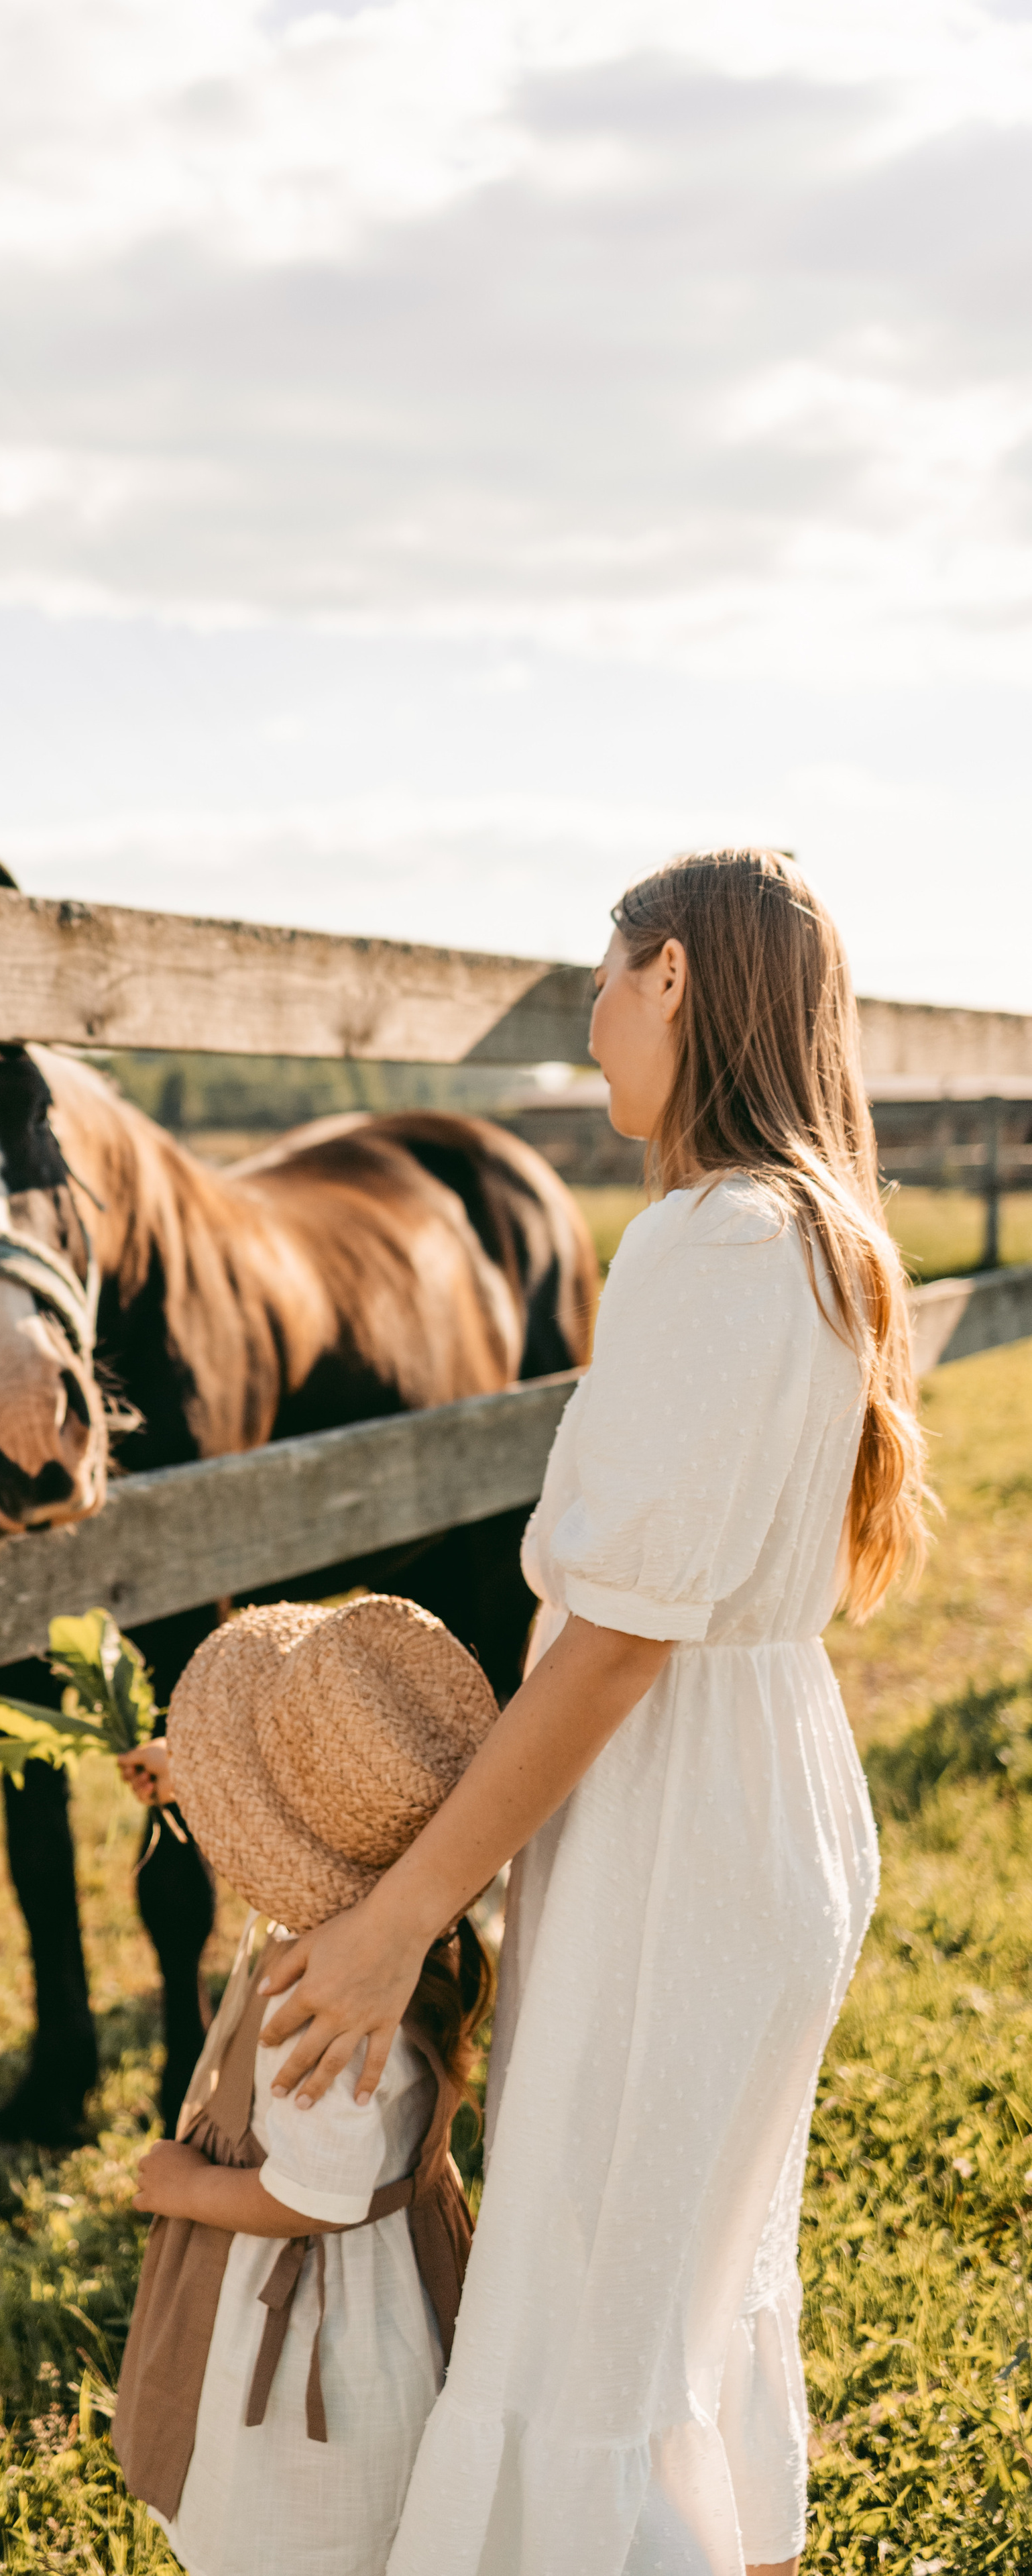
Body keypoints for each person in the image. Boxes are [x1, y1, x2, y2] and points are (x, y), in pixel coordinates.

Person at [255, 851, 927, 2576]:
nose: (590, 1021)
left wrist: (404, 1919)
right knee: (683, 2308)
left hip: (674, 1832)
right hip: (762, 1797)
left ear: (679, 979)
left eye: (604, 979)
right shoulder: (819, 1236)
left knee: (583, 2338)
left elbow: (614, 1649)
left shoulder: (707, 1243)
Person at [112, 1593, 499, 2576]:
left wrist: (182, 2188)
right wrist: (186, 1780)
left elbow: (313, 2194)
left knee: (302, 2535)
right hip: (393, 2296)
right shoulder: (395, 1945)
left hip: (315, 2359)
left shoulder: (318, 2018)